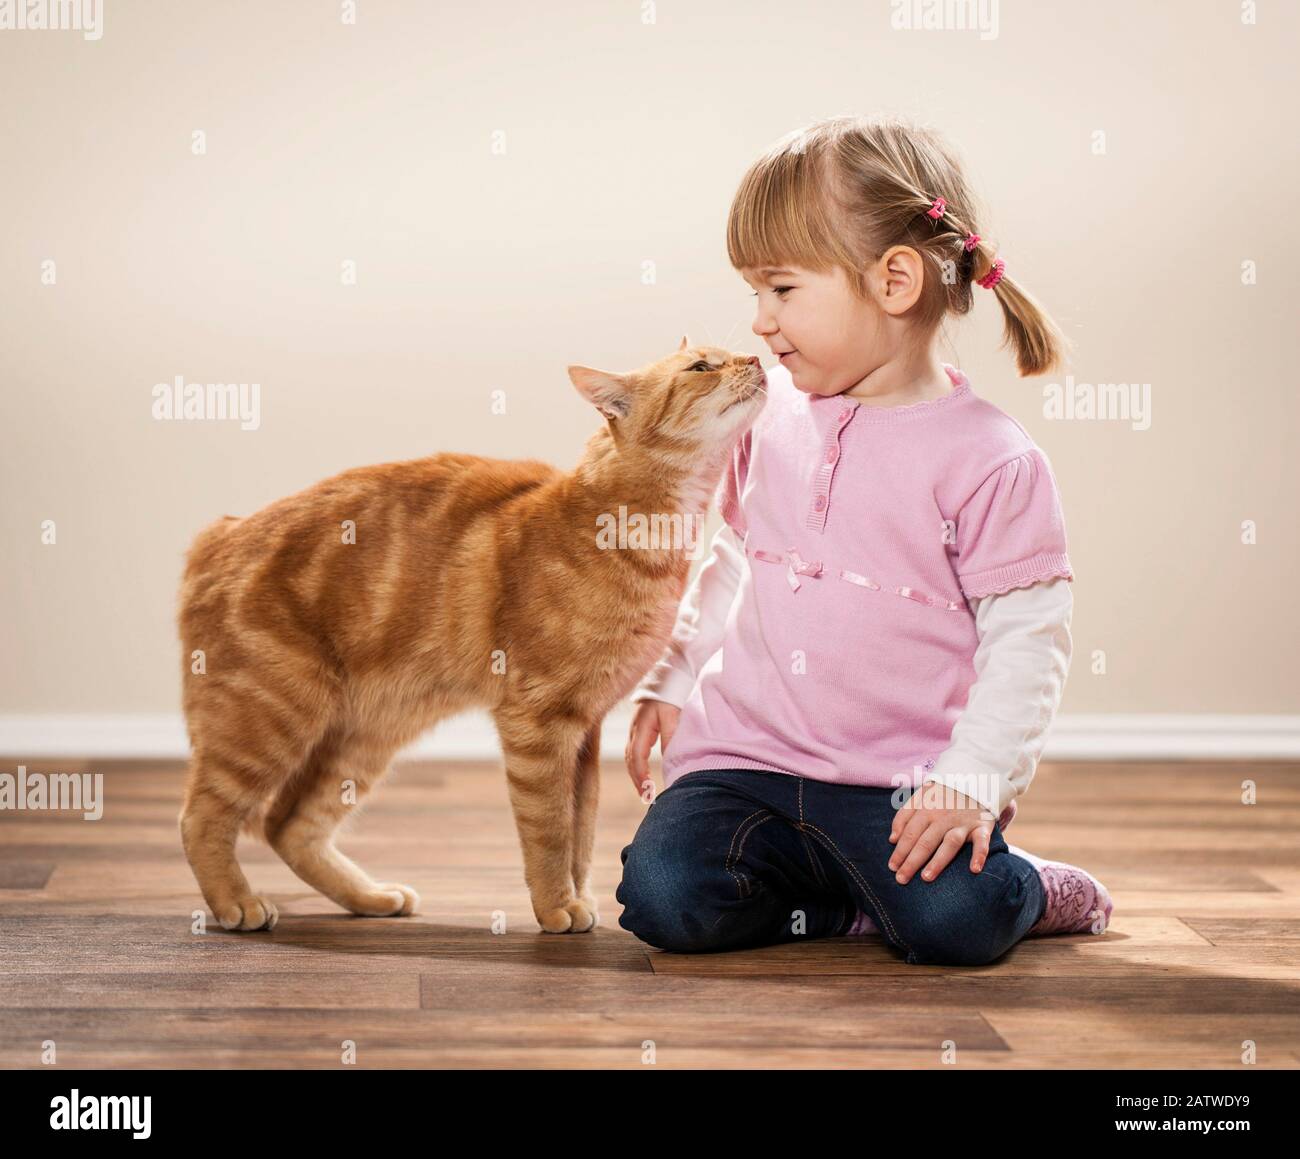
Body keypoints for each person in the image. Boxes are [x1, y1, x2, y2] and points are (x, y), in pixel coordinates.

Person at [617, 115, 1113, 966]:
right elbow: (734, 559)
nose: (760, 323)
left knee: (956, 921)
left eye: (781, 290)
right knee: (663, 896)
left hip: (903, 783)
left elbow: (1028, 638)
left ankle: (1028, 887)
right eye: (754, 295)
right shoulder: (764, 416)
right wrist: (674, 676)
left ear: (893, 281)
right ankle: (851, 904)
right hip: (749, 761)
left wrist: (973, 780)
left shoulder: (990, 459)